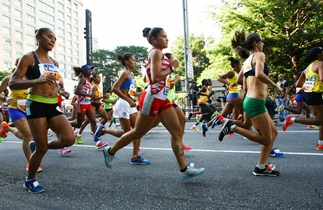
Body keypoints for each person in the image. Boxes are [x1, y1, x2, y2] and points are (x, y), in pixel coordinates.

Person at [101, 27, 205, 180]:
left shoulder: (159, 53)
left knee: (176, 131)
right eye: (164, 36)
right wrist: (172, 67)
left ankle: (184, 170)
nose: (167, 39)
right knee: (138, 132)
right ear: (154, 39)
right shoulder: (155, 52)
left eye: (167, 36)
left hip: (162, 98)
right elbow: (155, 78)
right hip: (152, 98)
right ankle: (110, 151)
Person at [9, 27, 75, 193]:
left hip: (52, 105)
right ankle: (30, 180)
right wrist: (38, 81)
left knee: (69, 139)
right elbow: (13, 82)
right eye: (49, 37)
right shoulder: (28, 58)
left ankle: (37, 146)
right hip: (36, 104)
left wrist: (61, 91)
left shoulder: (54, 62)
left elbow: (54, 83)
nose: (53, 40)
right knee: (42, 148)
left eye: (54, 38)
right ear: (38, 37)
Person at [216, 29, 282, 176]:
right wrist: (275, 85)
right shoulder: (259, 55)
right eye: (262, 41)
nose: (263, 44)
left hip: (250, 100)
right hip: (255, 102)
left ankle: (261, 166)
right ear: (256, 43)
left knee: (273, 133)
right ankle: (232, 127)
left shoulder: (247, 61)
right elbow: (259, 74)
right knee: (266, 139)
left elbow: (241, 80)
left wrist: (255, 84)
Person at [95, 52, 150, 164]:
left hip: (130, 104)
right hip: (124, 104)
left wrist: (134, 97)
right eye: (133, 60)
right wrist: (129, 100)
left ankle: (135, 157)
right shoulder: (124, 73)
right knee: (127, 133)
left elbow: (128, 91)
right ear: (126, 62)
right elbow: (115, 88)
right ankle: (104, 130)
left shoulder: (131, 74)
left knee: (138, 131)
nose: (135, 62)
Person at [283, 47, 323, 150]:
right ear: (318, 55)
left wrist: (309, 86)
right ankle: (292, 119)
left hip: (308, 95)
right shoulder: (320, 64)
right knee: (320, 121)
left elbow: (298, 84)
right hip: (316, 94)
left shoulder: (308, 67)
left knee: (320, 119)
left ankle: (320, 143)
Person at [70, 65, 108, 149]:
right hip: (81, 104)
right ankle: (66, 124)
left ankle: (97, 142)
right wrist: (89, 95)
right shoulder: (82, 79)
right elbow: (77, 91)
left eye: (91, 69)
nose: (91, 70)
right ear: (84, 71)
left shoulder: (88, 80)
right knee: (78, 124)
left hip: (88, 104)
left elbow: (90, 95)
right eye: (89, 69)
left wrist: (93, 96)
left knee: (93, 121)